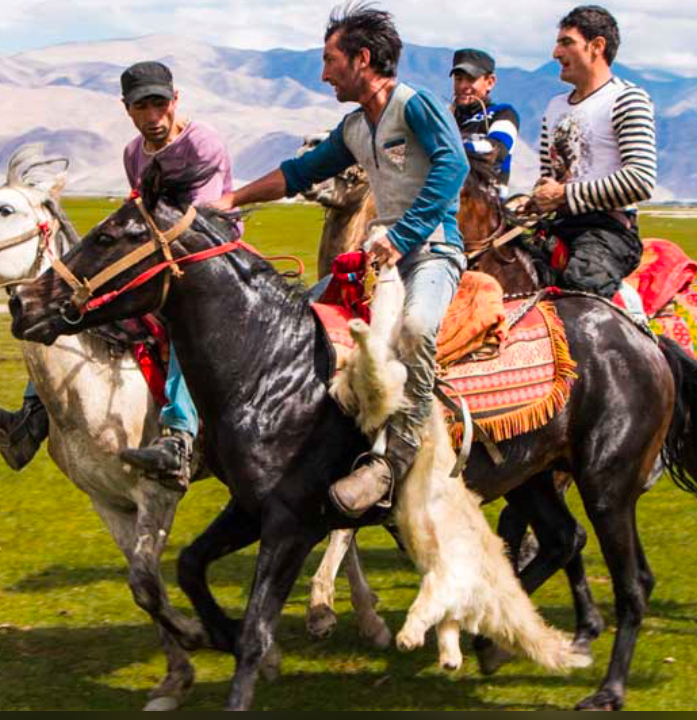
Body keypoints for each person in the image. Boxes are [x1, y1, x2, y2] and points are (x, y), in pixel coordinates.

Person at [211, 2, 468, 519]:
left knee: (416, 329)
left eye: (330, 60)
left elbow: (454, 164)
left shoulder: (415, 106)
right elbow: (300, 171)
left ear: (363, 59)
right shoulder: (354, 127)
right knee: (304, 322)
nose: (324, 72)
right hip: (383, 257)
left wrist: (404, 233)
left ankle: (395, 460)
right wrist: (232, 200)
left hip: (433, 250)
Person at [0, 61, 236, 490]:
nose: (153, 116)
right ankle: (31, 421)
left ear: (175, 100)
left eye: (159, 104)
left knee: (186, 325)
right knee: (68, 308)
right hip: (153, 260)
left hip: (207, 262)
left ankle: (181, 437)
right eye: (141, 106)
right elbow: (140, 214)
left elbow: (202, 222)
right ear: (126, 109)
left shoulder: (202, 142)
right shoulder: (134, 154)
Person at [531, 5, 657, 299]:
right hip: (558, 226)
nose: (555, 53)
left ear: (597, 46)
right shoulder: (554, 107)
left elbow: (640, 180)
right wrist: (535, 200)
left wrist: (563, 196)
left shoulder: (627, 99)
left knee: (578, 294)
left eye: (566, 43)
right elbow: (548, 179)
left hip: (608, 230)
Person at [450, 48, 519, 198]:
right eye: (458, 79)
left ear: (490, 82)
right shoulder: (445, 117)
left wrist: (450, 148)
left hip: (487, 204)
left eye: (470, 79)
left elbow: (497, 148)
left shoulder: (503, 113)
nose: (463, 86)